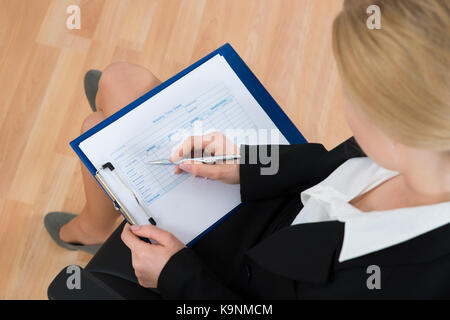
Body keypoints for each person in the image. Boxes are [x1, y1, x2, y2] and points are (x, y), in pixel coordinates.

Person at [45, 0, 450, 298]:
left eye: (352, 90)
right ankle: (99, 226)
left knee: (97, 127)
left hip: (229, 287)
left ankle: (95, 227)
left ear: (396, 124)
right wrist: (248, 165)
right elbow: (326, 166)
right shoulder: (424, 140)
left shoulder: (406, 282)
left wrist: (176, 276)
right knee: (120, 80)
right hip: (275, 210)